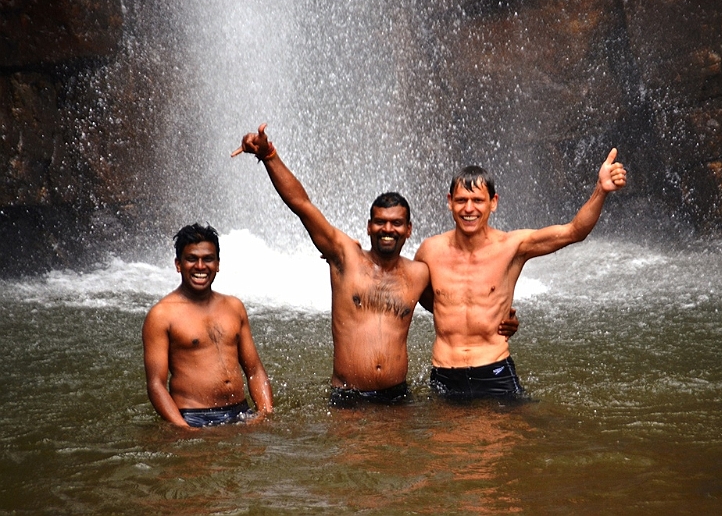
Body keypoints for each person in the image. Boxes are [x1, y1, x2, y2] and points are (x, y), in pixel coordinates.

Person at [233, 123, 518, 406]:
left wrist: (503, 320)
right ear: (368, 227)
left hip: (398, 398)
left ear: (409, 230)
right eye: (380, 222)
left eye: (396, 223)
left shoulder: (419, 273)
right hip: (349, 396)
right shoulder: (345, 257)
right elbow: (302, 205)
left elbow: (455, 304)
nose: (387, 229)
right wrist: (269, 156)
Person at [415, 151, 628, 400]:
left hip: (493, 368)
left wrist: (601, 190)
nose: (469, 208)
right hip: (444, 372)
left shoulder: (512, 246)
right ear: (449, 201)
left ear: (493, 202)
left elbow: (573, 231)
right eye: (461, 200)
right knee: (444, 440)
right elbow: (421, 296)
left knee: (508, 438)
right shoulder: (429, 251)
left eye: (477, 200)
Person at [142, 223, 274, 427]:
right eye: (192, 259)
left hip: (241, 412)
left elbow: (255, 370)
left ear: (218, 264)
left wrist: (264, 412)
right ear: (178, 264)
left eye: (208, 259)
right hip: (194, 418)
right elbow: (156, 385)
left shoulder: (234, 307)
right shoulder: (161, 315)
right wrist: (183, 428)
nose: (201, 267)